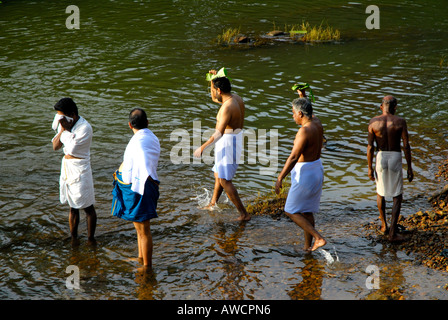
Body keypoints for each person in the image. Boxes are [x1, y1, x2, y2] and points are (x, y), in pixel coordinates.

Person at [194, 70, 250, 222]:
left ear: (219, 90)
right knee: (218, 174)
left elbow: (219, 133)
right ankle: (213, 203)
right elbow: (214, 98)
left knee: (225, 180)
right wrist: (213, 80)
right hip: (234, 138)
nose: (213, 93)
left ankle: (244, 214)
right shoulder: (236, 98)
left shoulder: (226, 107)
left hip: (228, 142)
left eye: (213, 89)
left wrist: (202, 147)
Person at [112, 108, 160, 270]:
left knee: (143, 229)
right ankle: (141, 258)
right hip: (147, 184)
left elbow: (137, 163)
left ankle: (147, 267)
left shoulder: (137, 142)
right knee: (139, 227)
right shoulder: (151, 138)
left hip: (140, 187)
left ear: (129, 125)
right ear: (147, 123)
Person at [275, 98, 326, 252]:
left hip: (305, 173)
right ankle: (307, 246)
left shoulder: (304, 131)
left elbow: (293, 157)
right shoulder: (317, 122)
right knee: (306, 211)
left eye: (293, 114)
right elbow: (310, 111)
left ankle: (318, 238)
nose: (293, 117)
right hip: (317, 168)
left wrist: (280, 178)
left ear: (300, 113)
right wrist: (301, 96)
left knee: (290, 210)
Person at [367, 95, 413, 242]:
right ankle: (393, 233)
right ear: (395, 107)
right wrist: (410, 167)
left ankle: (384, 225)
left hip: (380, 157)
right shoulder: (400, 122)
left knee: (380, 193)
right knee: (397, 195)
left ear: (381, 107)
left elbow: (370, 147)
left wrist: (369, 168)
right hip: (395, 157)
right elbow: (406, 145)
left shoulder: (374, 122)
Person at [51, 97, 97, 244]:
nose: (59, 118)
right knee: (72, 206)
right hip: (67, 167)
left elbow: (72, 148)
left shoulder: (85, 128)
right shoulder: (63, 123)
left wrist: (65, 132)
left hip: (81, 168)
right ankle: (74, 238)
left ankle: (91, 239)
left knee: (88, 206)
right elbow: (55, 146)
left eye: (62, 115)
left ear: (72, 115)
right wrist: (63, 130)